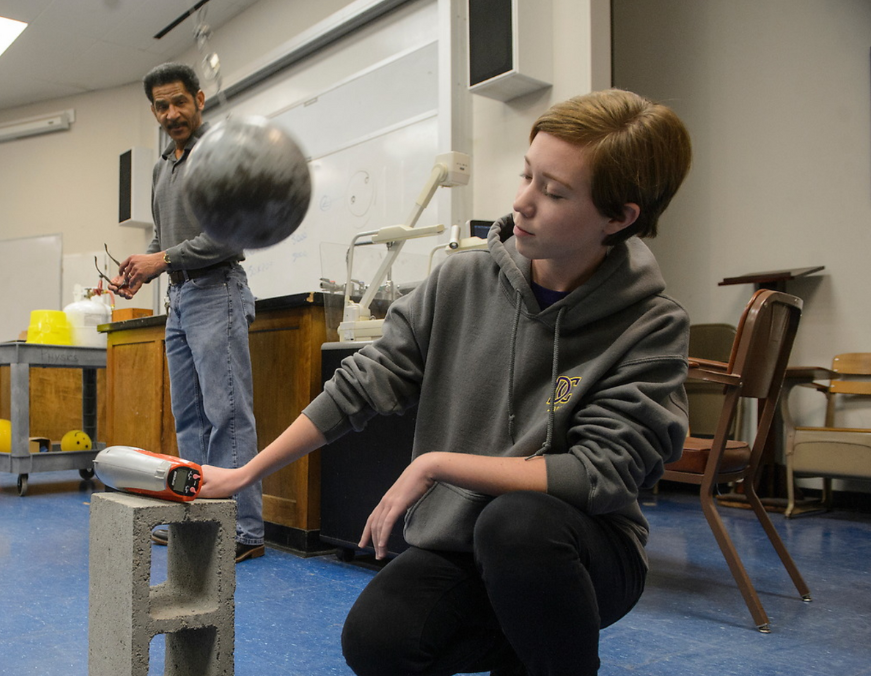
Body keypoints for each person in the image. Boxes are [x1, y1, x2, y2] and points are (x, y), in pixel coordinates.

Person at [202, 89, 693, 675]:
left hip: (581, 550)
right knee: (378, 640)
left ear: (620, 217)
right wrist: (246, 473)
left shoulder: (649, 322)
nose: (523, 203)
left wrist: (436, 464)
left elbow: (598, 473)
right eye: (527, 176)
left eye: (554, 191)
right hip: (465, 543)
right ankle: (535, 644)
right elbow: (363, 382)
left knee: (517, 526)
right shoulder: (462, 279)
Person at [110, 62, 263, 562]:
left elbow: (231, 235)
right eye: (161, 105)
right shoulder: (162, 166)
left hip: (218, 291)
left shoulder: (221, 158)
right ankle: (196, 516)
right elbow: (164, 238)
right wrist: (143, 267)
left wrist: (163, 258)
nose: (171, 113)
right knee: (190, 420)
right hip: (180, 300)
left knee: (229, 416)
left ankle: (243, 529)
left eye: (179, 102)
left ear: (199, 99)